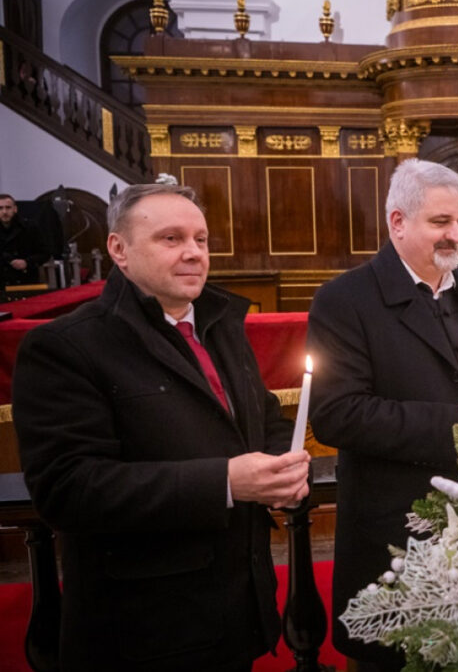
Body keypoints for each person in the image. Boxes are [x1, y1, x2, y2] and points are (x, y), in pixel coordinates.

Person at [13, 183, 311, 671]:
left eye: (201, 239)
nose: (194, 253)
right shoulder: (67, 347)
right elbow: (67, 489)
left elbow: (261, 418)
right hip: (144, 629)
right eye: (171, 239)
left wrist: (283, 464)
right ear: (119, 249)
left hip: (237, 609)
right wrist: (225, 483)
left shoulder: (219, 326)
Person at [307, 158, 458, 671]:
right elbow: (338, 415)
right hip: (396, 524)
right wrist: (455, 425)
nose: (454, 235)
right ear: (397, 222)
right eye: (439, 222)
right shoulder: (345, 300)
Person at [0, 193, 43, 286]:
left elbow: (45, 252)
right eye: (0, 208)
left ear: (15, 209)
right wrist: (7, 259)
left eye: (8, 207)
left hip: (26, 279)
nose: (4, 211)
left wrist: (27, 262)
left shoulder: (30, 227)